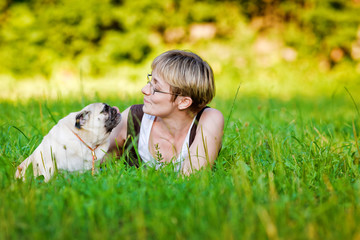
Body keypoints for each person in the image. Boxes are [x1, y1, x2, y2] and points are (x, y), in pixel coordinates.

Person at [107, 50, 224, 175]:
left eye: (156, 88)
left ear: (184, 102)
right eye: (150, 81)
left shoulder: (209, 119)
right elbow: (92, 162)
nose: (144, 90)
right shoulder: (133, 118)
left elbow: (192, 179)